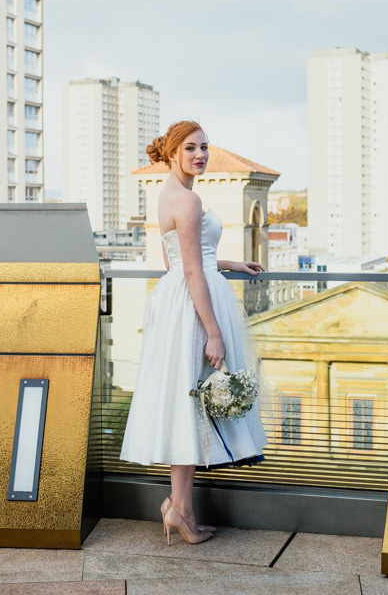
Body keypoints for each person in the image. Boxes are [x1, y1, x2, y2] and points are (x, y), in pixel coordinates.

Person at [119, 120, 268, 545]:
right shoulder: (188, 200)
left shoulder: (168, 195)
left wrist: (232, 264)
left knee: (187, 403)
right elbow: (189, 269)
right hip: (194, 309)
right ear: (171, 153)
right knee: (193, 402)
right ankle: (181, 509)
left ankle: (181, 509)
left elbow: (183, 262)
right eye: (190, 148)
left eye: (204, 147)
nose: (200, 155)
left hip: (177, 303)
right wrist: (213, 331)